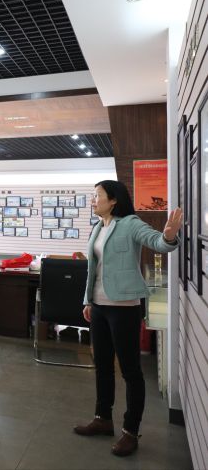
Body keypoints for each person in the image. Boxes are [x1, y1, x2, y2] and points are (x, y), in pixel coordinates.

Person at [74, 180, 181, 457]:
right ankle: (102, 418)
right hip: (99, 305)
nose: (93, 200)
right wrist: (88, 300)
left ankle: (131, 431)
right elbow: (93, 269)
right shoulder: (98, 227)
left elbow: (157, 242)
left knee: (130, 371)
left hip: (124, 307)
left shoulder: (130, 223)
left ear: (114, 200)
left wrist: (168, 236)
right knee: (102, 365)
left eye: (97, 196)